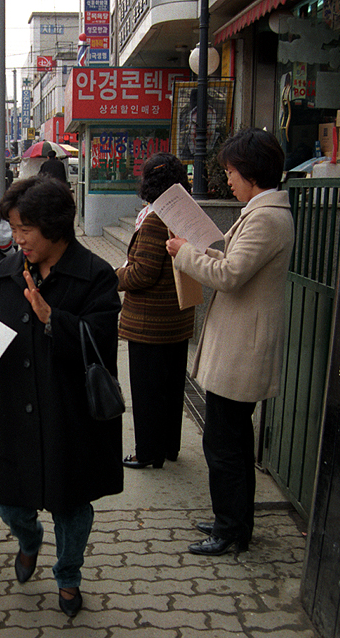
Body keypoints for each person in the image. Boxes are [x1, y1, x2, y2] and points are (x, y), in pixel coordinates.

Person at [0, 176, 123, 617]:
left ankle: (68, 574)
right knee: (9, 503)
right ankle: (28, 539)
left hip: (69, 413)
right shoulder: (2, 276)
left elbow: (101, 342)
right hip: (16, 409)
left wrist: (51, 318)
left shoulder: (95, 275)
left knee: (72, 506)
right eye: (14, 230)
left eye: (26, 230)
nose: (17, 239)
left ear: (55, 226)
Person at [165, 128, 294, 556]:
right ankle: (232, 520)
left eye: (232, 172)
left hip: (243, 351)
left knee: (225, 445)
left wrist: (186, 253)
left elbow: (230, 276)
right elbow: (235, 265)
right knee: (231, 442)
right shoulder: (262, 211)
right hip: (237, 346)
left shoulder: (268, 217)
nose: (230, 181)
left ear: (251, 172)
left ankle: (231, 530)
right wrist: (197, 251)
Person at [118, 153, 196, 470]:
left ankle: (148, 453)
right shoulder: (184, 214)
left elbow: (142, 274)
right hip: (177, 319)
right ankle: (169, 446)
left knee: (148, 392)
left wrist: (114, 277)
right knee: (171, 389)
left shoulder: (155, 219)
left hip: (150, 325)